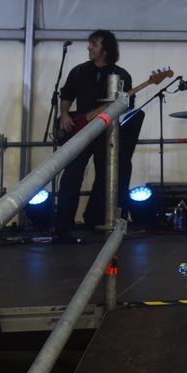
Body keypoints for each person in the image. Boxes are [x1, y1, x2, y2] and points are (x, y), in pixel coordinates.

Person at [54, 30, 134, 239]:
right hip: (80, 131)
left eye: (94, 44)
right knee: (71, 176)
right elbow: (67, 95)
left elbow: (127, 106)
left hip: (107, 134)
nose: (89, 48)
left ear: (106, 49)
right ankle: (63, 224)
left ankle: (97, 219)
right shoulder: (79, 72)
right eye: (89, 44)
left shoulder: (122, 75)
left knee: (106, 178)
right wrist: (64, 115)